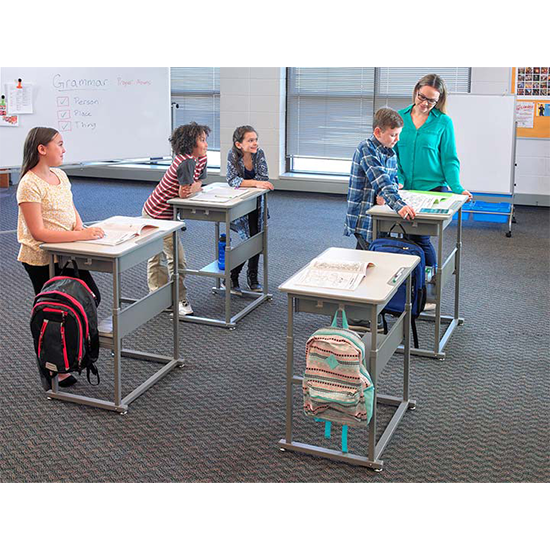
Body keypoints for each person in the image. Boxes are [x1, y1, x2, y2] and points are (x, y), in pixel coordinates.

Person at [17, 127, 105, 389]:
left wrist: (79, 227)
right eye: (59, 144)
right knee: (52, 312)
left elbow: (70, 207)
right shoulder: (29, 184)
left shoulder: (60, 175)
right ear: (41, 149)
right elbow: (39, 232)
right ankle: (53, 370)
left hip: (67, 252)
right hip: (42, 258)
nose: (64, 150)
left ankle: (71, 355)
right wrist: (82, 236)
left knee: (91, 297)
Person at [392, 73, 473, 270]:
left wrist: (457, 187)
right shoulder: (399, 118)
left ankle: (430, 280)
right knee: (402, 237)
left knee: (419, 237)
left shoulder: (443, 122)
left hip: (432, 189)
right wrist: (399, 179)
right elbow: (392, 154)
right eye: (422, 97)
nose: (425, 103)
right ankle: (412, 279)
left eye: (432, 100)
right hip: (403, 190)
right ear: (416, 92)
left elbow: (449, 159)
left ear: (439, 100)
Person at [142, 122, 209, 317]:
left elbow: (198, 184)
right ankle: (178, 299)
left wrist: (194, 187)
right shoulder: (186, 161)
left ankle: (159, 297)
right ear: (190, 144)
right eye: (202, 140)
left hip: (165, 214)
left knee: (161, 256)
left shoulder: (200, 159)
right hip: (157, 215)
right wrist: (194, 187)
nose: (206, 144)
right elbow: (185, 193)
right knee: (175, 260)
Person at [344, 107, 416, 251]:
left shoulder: (390, 152)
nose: (398, 139)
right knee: (368, 253)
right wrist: (399, 205)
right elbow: (381, 180)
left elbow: (393, 181)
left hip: (380, 213)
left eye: (398, 134)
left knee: (375, 253)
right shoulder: (366, 149)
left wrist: (384, 195)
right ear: (378, 132)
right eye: (393, 135)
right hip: (365, 215)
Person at [226, 125, 274, 295]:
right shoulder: (232, 155)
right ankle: (233, 275)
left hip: (258, 204)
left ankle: (252, 276)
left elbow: (264, 177)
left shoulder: (259, 154)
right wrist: (255, 183)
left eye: (256, 139)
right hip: (240, 205)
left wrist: (251, 182)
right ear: (239, 144)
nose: (255, 143)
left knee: (257, 240)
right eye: (250, 140)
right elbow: (232, 180)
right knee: (250, 241)